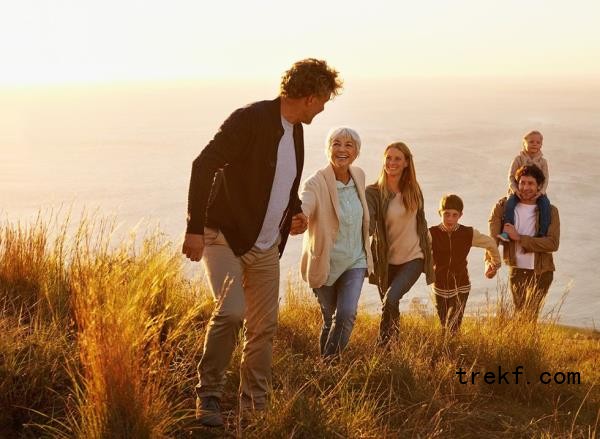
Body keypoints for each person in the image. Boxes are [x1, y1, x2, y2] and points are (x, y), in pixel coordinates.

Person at [182, 58, 342, 427]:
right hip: (224, 237)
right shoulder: (250, 119)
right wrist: (194, 228)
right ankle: (208, 395)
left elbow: (281, 184)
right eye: (322, 101)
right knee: (231, 312)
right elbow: (202, 165)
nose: (322, 108)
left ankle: (254, 406)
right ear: (308, 96)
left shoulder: (295, 130)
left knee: (264, 327)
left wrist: (296, 212)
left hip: (267, 246)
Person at [299, 127, 373, 358]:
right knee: (330, 319)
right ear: (328, 149)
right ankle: (326, 370)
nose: (342, 149)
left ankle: (329, 364)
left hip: (355, 260)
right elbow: (305, 204)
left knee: (346, 313)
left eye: (348, 145)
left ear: (356, 152)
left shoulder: (359, 175)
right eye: (336, 144)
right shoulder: (315, 183)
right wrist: (300, 217)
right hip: (326, 262)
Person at [366, 142, 434, 346]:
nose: (392, 162)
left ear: (406, 163)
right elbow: (368, 222)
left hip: (414, 258)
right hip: (385, 262)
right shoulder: (374, 192)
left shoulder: (414, 190)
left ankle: (382, 347)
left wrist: (433, 255)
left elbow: (422, 224)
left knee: (391, 299)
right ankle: (393, 348)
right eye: (388, 158)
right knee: (388, 306)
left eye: (397, 158)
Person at [489, 165, 560, 321]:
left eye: (530, 183)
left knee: (531, 315)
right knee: (520, 314)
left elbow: (553, 243)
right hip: (516, 270)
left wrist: (519, 237)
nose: (525, 187)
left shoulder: (550, 210)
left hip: (542, 271)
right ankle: (521, 344)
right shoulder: (506, 207)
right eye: (522, 183)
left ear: (539, 186)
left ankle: (529, 344)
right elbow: (493, 238)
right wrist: (490, 262)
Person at [429, 194, 501, 334]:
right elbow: (419, 251)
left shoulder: (468, 233)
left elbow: (491, 243)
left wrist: (495, 264)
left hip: (461, 285)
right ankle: (446, 352)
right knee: (444, 325)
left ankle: (453, 352)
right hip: (439, 285)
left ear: (460, 215)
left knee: (454, 326)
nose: (450, 219)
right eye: (446, 214)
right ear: (440, 213)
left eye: (454, 215)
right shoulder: (432, 233)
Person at [498, 130, 551, 242]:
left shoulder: (543, 162)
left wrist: (541, 192)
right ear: (524, 144)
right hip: (518, 191)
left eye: (538, 142)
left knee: (545, 205)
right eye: (531, 141)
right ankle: (506, 232)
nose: (535, 144)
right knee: (510, 204)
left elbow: (545, 179)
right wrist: (515, 190)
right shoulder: (518, 159)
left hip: (538, 192)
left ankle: (542, 234)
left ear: (541, 145)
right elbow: (511, 177)